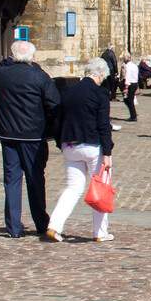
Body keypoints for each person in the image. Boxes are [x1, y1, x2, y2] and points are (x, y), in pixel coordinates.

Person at [0, 39, 60, 238]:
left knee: (11, 180)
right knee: (35, 179)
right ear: (31, 57)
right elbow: (54, 102)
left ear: (12, 56)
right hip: (33, 136)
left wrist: (10, 61)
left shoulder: (0, 75)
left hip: (8, 133)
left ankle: (13, 227)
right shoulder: (39, 76)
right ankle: (40, 222)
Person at [47, 58, 115, 243]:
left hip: (70, 145)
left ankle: (55, 225)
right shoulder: (100, 93)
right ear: (100, 74)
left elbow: (58, 119)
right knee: (100, 187)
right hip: (93, 146)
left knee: (73, 188)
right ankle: (100, 232)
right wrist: (107, 153)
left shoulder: (69, 91)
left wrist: (60, 142)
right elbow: (103, 125)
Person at [120, 54, 142, 122]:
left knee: (129, 100)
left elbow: (128, 77)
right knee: (129, 100)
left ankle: (133, 115)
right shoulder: (134, 65)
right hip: (135, 83)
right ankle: (133, 114)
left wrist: (126, 87)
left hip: (130, 84)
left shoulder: (128, 66)